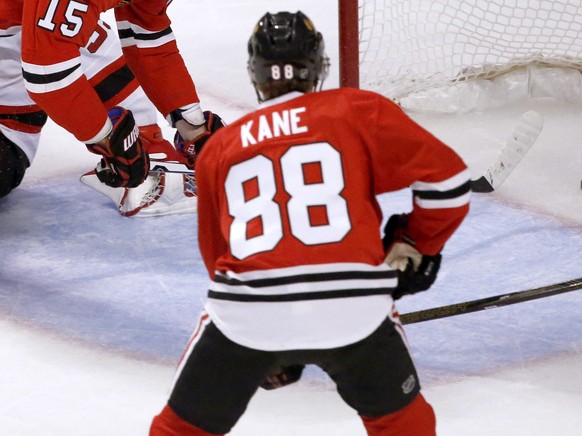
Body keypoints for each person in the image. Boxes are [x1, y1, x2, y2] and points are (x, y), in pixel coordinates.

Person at [150, 10, 471, 436]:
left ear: (254, 73)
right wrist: (417, 243)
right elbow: (448, 185)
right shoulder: (357, 111)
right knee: (405, 426)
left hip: (251, 312)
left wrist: (273, 344)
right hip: (353, 307)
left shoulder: (220, 148)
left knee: (179, 431)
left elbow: (217, 257)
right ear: (319, 67)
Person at [1, 1, 219, 216]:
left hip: (34, 39)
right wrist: (105, 140)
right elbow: (47, 79)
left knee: (142, 140)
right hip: (36, 38)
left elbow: (147, 33)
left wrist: (194, 127)